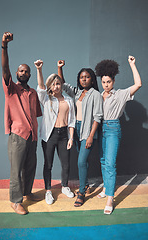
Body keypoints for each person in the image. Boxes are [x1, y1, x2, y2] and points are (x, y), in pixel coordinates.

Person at [95, 56, 142, 214]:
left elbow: (138, 84)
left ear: (113, 81)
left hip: (114, 128)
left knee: (110, 163)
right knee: (103, 161)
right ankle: (106, 188)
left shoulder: (121, 94)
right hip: (102, 128)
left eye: (109, 82)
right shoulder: (100, 96)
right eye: (104, 82)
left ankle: (110, 198)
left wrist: (132, 64)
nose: (106, 84)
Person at [1, 32, 42, 215]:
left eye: (26, 71)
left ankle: (26, 193)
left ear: (30, 74)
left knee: (30, 166)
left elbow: (37, 114)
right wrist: (4, 45)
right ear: (16, 73)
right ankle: (15, 201)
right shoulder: (11, 89)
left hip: (33, 135)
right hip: (17, 135)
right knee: (16, 170)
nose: (23, 73)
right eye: (21, 70)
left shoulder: (33, 93)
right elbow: (4, 68)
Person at [58, 60, 103, 207]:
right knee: (82, 161)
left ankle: (82, 192)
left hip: (87, 130)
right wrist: (60, 68)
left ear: (92, 79)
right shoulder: (77, 93)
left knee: (81, 162)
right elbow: (63, 85)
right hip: (76, 130)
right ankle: (87, 183)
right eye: (81, 77)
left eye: (87, 77)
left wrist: (91, 136)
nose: (84, 79)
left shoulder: (96, 94)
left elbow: (97, 117)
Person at [34, 59, 75, 205]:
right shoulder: (46, 98)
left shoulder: (69, 99)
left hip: (64, 135)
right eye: (53, 84)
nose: (56, 86)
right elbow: (40, 87)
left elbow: (72, 120)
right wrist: (39, 69)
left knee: (66, 164)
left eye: (58, 83)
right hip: (49, 136)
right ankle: (48, 191)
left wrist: (71, 137)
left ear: (61, 85)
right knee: (48, 164)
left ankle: (65, 186)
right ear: (50, 86)